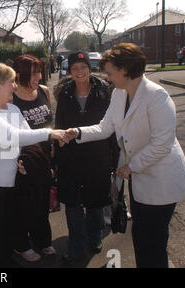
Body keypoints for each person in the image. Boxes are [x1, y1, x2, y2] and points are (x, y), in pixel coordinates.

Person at [65, 43, 185, 268]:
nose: (106, 75)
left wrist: (131, 166)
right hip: (140, 180)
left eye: (110, 70)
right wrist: (78, 132)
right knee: (141, 236)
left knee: (154, 241)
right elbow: (105, 127)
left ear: (124, 69)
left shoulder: (156, 96)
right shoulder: (119, 94)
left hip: (162, 181)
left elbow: (163, 144)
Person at [0, 63, 66, 267]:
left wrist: (25, 159)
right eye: (12, 82)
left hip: (17, 179)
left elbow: (26, 137)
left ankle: (9, 255)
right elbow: (11, 136)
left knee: (13, 222)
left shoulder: (13, 108)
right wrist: (50, 133)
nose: (15, 87)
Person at [54, 51, 119, 264]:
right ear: (69, 72)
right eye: (75, 68)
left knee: (95, 201)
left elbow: (113, 127)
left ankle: (95, 236)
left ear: (89, 68)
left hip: (97, 156)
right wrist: (59, 143)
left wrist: (114, 158)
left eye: (83, 67)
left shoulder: (105, 91)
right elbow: (60, 123)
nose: (79, 72)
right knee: (72, 204)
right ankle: (77, 245)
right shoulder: (64, 93)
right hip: (71, 157)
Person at [10, 54, 56, 262]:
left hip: (44, 160)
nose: (39, 76)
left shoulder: (44, 91)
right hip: (22, 162)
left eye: (39, 71)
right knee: (22, 205)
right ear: (20, 76)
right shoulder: (10, 98)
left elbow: (50, 122)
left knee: (42, 202)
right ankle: (21, 244)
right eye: (34, 73)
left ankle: (43, 240)